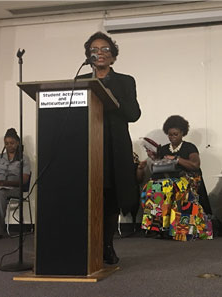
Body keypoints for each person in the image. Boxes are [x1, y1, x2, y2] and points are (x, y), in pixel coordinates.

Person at [78, 32, 141, 264]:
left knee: (111, 197)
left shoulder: (125, 81)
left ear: (113, 57)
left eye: (105, 49)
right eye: (95, 49)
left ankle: (107, 245)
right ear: (89, 56)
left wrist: (114, 99)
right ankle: (87, 245)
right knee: (88, 196)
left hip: (114, 147)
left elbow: (134, 114)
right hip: (86, 146)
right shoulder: (80, 80)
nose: (100, 53)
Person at [141, 115, 213, 241]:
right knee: (152, 186)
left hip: (188, 179)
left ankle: (178, 227)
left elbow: (195, 165)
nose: (172, 137)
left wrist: (176, 159)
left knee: (173, 186)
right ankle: (157, 226)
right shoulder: (163, 149)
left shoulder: (189, 147)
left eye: (175, 134)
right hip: (169, 179)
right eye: (170, 135)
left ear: (182, 133)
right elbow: (161, 166)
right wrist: (154, 158)